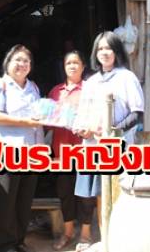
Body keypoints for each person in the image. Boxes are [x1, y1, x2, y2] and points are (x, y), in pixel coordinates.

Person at [73, 31, 144, 252]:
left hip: (118, 148)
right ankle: (106, 241)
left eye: (109, 48)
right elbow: (82, 115)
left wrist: (113, 132)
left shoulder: (127, 78)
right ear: (95, 53)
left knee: (118, 194)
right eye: (101, 48)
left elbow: (136, 113)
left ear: (117, 51)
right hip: (93, 148)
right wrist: (82, 129)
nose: (104, 52)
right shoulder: (91, 82)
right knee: (98, 195)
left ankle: (121, 242)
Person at [0, 45, 43, 252]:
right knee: (7, 199)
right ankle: (7, 244)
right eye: (17, 60)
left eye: (26, 61)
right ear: (8, 63)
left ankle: (19, 241)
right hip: (7, 150)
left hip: (32, 151)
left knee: (24, 199)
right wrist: (25, 121)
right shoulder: (0, 84)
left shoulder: (33, 87)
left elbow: (39, 117)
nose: (22, 64)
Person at [47, 51, 96, 251]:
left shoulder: (90, 89)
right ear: (64, 67)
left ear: (83, 67)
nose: (72, 66)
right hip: (61, 151)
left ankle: (85, 233)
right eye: (69, 63)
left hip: (85, 149)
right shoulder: (55, 91)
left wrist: (90, 127)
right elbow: (47, 120)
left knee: (86, 193)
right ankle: (68, 232)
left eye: (76, 63)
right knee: (65, 192)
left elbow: (98, 116)